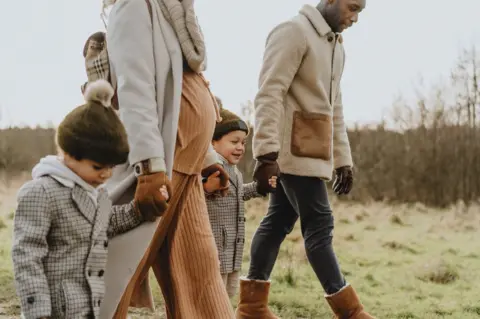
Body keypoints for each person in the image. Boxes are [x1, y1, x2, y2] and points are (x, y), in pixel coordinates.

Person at [91, 0, 235, 318]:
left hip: (186, 162)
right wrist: (149, 167)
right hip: (160, 165)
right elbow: (134, 88)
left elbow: (183, 88)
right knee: (117, 272)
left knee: (200, 270)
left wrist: (209, 157)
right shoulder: (134, 6)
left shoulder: (171, 15)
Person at [235, 1, 375, 318]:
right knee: (320, 226)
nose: (354, 18)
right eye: (351, 8)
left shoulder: (337, 47)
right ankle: (350, 313)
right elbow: (269, 92)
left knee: (276, 223)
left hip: (315, 152)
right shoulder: (293, 32)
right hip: (289, 152)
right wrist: (266, 153)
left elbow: (333, 107)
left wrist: (343, 159)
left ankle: (252, 307)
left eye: (360, 12)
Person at [11, 80, 165, 319]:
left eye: (111, 168)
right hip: (52, 310)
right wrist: (37, 311)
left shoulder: (98, 194)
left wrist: (138, 210)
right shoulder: (40, 192)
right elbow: (27, 255)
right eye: (97, 166)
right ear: (70, 153)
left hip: (87, 306)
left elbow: (108, 223)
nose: (105, 174)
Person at [203, 102, 277, 298]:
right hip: (216, 251)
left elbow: (236, 194)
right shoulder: (210, 168)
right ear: (213, 142)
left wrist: (258, 187)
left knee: (226, 298)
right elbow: (194, 195)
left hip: (232, 251)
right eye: (234, 141)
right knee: (212, 299)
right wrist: (206, 187)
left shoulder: (233, 170)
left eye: (243, 143)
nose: (240, 147)